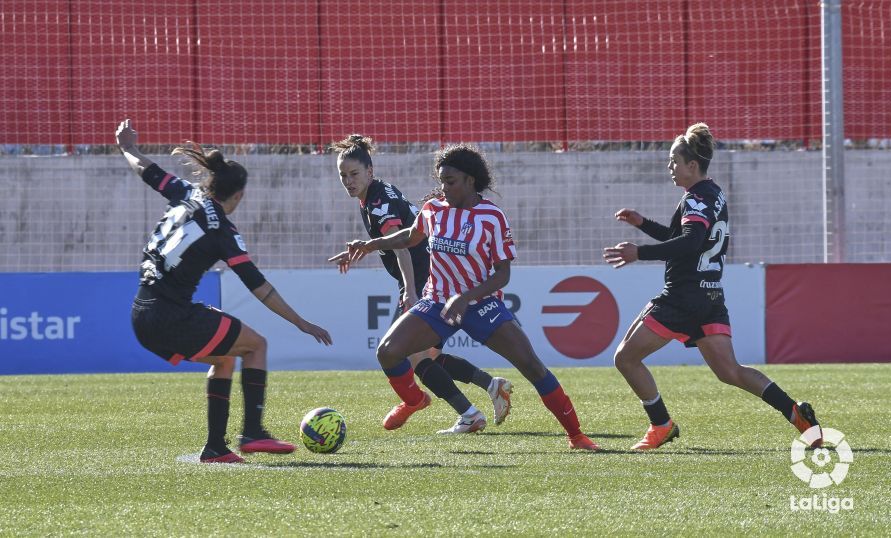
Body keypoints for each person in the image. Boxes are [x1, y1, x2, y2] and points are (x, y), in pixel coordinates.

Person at [344, 143, 599, 450]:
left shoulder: (492, 217)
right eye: (441, 181)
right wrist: (371, 245)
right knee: (387, 351)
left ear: (470, 180)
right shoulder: (433, 209)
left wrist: (466, 297)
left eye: (449, 182)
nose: (443, 188)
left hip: (481, 305)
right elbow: (412, 235)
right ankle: (415, 401)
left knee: (532, 367)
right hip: (437, 301)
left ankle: (577, 436)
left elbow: (503, 274)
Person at [117, 119, 332, 463]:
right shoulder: (224, 232)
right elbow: (259, 287)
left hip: (142, 314)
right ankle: (253, 433)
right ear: (239, 195)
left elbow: (148, 170)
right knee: (256, 346)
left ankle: (216, 448)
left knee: (224, 357)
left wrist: (128, 147)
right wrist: (301, 322)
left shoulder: (186, 192)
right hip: (172, 316)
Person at [602, 122, 824, 450]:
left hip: (682, 297)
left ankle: (661, 424)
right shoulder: (713, 193)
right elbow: (685, 239)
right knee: (731, 372)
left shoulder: (695, 200)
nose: (670, 167)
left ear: (693, 165)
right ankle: (796, 413)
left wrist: (639, 253)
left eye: (674, 161)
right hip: (710, 295)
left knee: (626, 358)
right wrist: (643, 224)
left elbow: (690, 242)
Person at [327, 135, 512, 433]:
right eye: (343, 176)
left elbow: (402, 245)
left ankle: (468, 413)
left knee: (410, 354)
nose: (348, 181)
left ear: (370, 172)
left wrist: (411, 292)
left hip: (427, 280)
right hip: (431, 277)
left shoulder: (377, 203)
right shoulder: (377, 193)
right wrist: (365, 250)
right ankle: (490, 386)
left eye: (354, 174)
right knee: (428, 355)